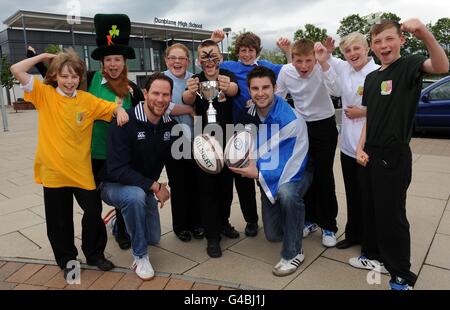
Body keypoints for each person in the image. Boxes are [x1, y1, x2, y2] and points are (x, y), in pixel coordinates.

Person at [26, 14, 146, 251]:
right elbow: (59, 82)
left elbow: (141, 120)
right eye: (109, 59)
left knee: (123, 194)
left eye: (118, 60)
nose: (113, 64)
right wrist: (38, 59)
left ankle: (121, 230)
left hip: (119, 156)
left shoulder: (132, 91)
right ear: (102, 62)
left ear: (125, 62)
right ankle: (83, 247)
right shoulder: (87, 80)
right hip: (90, 156)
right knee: (92, 206)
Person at [10, 49, 129, 277]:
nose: (69, 81)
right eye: (64, 76)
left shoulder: (87, 100)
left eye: (74, 76)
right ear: (55, 75)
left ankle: (95, 254)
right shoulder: (43, 94)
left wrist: (120, 109)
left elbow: (111, 107)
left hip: (81, 172)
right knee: (60, 221)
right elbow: (16, 69)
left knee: (93, 210)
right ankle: (68, 261)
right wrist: (43, 58)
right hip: (54, 172)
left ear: (80, 78)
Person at [353, 19, 448, 290]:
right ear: (372, 46)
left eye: (389, 39)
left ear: (401, 41)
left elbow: (441, 67)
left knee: (391, 214)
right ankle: (373, 256)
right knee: (370, 208)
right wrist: (360, 147)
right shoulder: (371, 78)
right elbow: (369, 118)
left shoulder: (409, 65)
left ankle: (401, 275)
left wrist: (425, 34)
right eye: (378, 41)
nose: (384, 45)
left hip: (394, 154)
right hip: (369, 152)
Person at [230, 66, 312, 276]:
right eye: (255, 88)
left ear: (275, 87)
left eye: (266, 87)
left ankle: (294, 253)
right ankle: (299, 223)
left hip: (297, 170)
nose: (260, 93)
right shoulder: (246, 113)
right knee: (273, 235)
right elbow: (241, 144)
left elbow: (294, 162)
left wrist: (258, 174)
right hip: (268, 170)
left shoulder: (291, 119)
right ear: (249, 90)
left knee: (287, 194)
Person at [211, 30, 292, 237]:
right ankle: (251, 220)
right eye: (243, 50)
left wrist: (288, 52)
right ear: (237, 51)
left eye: (251, 50)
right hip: (239, 128)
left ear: (257, 51)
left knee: (267, 172)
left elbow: (290, 71)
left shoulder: (265, 66)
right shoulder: (230, 66)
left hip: (265, 128)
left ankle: (279, 214)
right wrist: (215, 42)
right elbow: (209, 63)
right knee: (243, 178)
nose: (247, 54)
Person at [101, 72, 177, 280]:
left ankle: (116, 222)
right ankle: (140, 257)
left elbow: (177, 158)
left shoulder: (169, 125)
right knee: (134, 197)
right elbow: (117, 169)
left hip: (144, 186)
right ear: (145, 93)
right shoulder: (125, 121)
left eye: (166, 94)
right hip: (113, 184)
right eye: (155, 93)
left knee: (154, 238)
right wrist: (154, 186)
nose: (160, 99)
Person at [275, 39, 341, 247]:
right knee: (305, 174)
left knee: (324, 175)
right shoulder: (286, 71)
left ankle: (329, 225)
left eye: (308, 61)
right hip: (302, 127)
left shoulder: (321, 67)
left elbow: (337, 91)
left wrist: (323, 63)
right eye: (299, 61)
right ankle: (310, 219)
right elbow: (278, 97)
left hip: (324, 126)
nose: (304, 66)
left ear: (314, 58)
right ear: (291, 59)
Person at [183, 39, 239, 257]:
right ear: (198, 60)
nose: (209, 60)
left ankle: (223, 223)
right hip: (204, 142)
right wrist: (190, 90)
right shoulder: (195, 80)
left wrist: (228, 87)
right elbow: (186, 99)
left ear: (221, 58)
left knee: (226, 188)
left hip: (226, 140)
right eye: (204, 56)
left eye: (213, 55)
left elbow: (234, 90)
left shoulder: (226, 76)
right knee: (207, 190)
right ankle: (212, 236)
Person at [325, 33, 380, 249]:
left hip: (367, 146)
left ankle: (369, 238)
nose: (352, 54)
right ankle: (353, 233)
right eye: (347, 51)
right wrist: (327, 52)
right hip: (347, 145)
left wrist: (363, 111)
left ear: (367, 49)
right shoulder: (345, 67)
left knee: (368, 195)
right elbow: (328, 61)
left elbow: (386, 107)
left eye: (356, 48)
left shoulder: (377, 73)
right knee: (352, 192)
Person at [163, 43, 204, 242]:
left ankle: (197, 223)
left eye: (181, 58)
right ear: (166, 60)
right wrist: (188, 110)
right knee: (179, 185)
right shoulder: (161, 80)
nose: (177, 62)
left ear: (188, 61)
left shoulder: (195, 79)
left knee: (196, 184)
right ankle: (181, 226)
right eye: (173, 58)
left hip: (196, 139)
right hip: (174, 138)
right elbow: (164, 106)